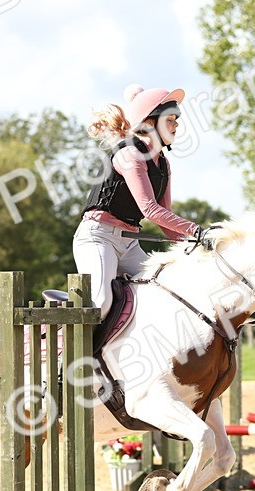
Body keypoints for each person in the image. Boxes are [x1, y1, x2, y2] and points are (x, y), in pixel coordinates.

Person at [76, 84, 203, 318]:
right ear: (150, 123)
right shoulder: (130, 154)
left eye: (176, 120)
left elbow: (167, 223)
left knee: (168, 293)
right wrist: (197, 230)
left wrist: (197, 245)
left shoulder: (163, 164)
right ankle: (66, 350)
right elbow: (151, 210)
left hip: (129, 243)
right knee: (101, 302)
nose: (177, 125)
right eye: (170, 119)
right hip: (98, 238)